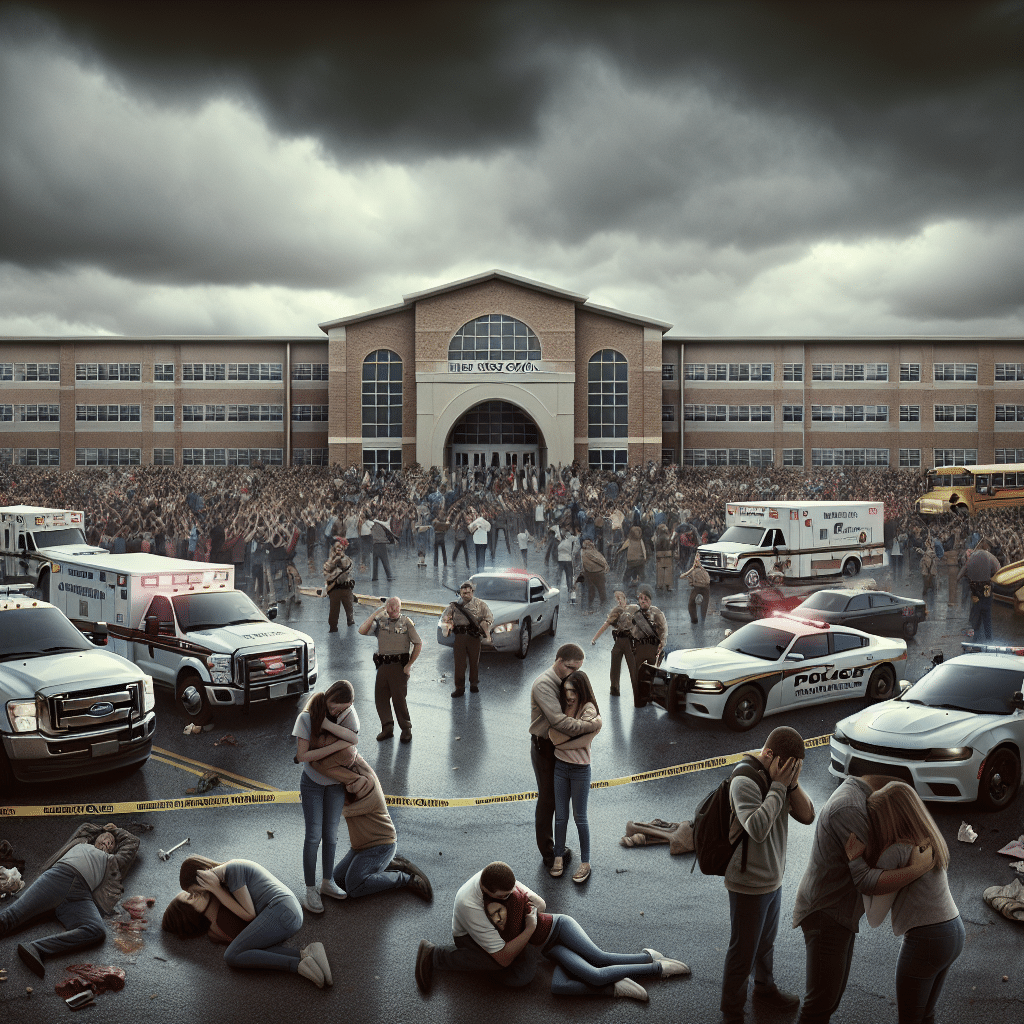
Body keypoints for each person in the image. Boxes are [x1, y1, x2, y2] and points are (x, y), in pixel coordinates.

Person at [416, 862, 689, 1000]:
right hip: (547, 949)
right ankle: (618, 982)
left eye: (512, 893)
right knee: (566, 982)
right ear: (487, 894)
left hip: (558, 927)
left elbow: (542, 905)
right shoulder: (474, 905)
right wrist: (529, 930)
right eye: (495, 915)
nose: (498, 919)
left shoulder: (511, 893)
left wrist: (531, 920)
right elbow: (504, 955)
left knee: (599, 960)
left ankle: (653, 964)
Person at [792, 775, 938, 1024]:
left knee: (830, 999)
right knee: (819, 1004)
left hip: (838, 914)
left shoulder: (857, 797)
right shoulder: (851, 809)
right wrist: (916, 870)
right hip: (826, 915)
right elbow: (867, 881)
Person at [720, 727, 815, 1024]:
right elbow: (757, 829)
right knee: (742, 951)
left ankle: (764, 988)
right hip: (748, 882)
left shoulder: (781, 779)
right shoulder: (744, 779)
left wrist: (792, 785)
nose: (789, 773)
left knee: (765, 941)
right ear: (770, 754)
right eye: (788, 767)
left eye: (795, 769)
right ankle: (732, 1011)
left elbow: (808, 815)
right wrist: (778, 787)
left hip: (772, 878)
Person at [853, 782, 963, 1024]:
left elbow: (873, 918)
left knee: (910, 1019)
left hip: (926, 941)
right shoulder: (929, 840)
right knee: (926, 1014)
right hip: (954, 931)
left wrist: (857, 863)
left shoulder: (895, 853)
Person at [162, 856, 332, 987]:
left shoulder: (233, 871)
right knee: (244, 949)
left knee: (232, 955)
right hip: (284, 912)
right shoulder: (227, 879)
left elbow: (249, 915)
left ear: (202, 876)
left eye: (194, 892)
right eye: (192, 895)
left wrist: (215, 889)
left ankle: (296, 964)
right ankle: (307, 953)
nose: (198, 895)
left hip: (283, 912)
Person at [1, 821, 140, 978]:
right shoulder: (81, 841)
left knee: (96, 930)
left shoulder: (112, 860)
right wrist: (105, 829)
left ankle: (36, 948)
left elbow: (133, 842)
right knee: (11, 916)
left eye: (112, 842)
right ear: (96, 838)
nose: (107, 841)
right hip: (56, 878)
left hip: (81, 894)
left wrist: (116, 832)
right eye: (104, 837)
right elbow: (86, 828)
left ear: (114, 848)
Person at [292, 680, 361, 913]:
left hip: (335, 786)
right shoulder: (306, 718)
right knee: (313, 837)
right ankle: (310, 889)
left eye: (344, 709)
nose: (339, 712)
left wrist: (329, 726)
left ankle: (327, 882)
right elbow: (302, 756)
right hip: (312, 783)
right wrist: (336, 745)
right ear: (328, 697)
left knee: (331, 835)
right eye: (336, 707)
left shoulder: (347, 714)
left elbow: (354, 739)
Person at [529, 644, 599, 869]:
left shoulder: (564, 681)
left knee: (562, 802)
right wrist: (591, 725)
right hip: (545, 747)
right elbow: (559, 722)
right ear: (558, 660)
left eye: (577, 669)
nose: (573, 673)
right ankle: (549, 854)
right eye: (569, 667)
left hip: (561, 747)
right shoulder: (544, 684)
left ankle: (558, 849)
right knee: (548, 800)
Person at [333, 758, 433, 902]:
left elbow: (342, 810)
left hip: (381, 845)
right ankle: (389, 864)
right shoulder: (349, 790)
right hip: (359, 848)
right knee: (337, 880)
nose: (352, 784)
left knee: (354, 887)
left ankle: (405, 878)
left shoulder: (370, 790)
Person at [548, 670, 601, 883]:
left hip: (580, 769)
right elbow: (552, 735)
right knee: (560, 816)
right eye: (567, 690)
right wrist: (576, 733)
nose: (570, 695)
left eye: (573, 690)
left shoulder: (588, 708)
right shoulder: (560, 707)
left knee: (580, 817)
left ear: (581, 689)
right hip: (560, 767)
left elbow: (582, 741)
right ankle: (558, 857)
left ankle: (585, 862)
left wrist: (562, 742)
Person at [358, 596, 422, 742]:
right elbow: (362, 630)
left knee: (399, 700)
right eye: (390, 606)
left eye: (396, 606)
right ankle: (387, 727)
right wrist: (376, 613)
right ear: (386, 607)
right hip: (383, 666)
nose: (393, 609)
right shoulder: (380, 623)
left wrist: (409, 665)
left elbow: (418, 644)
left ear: (400, 607)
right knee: (380, 698)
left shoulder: (406, 623)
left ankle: (406, 729)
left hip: (399, 667)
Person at [440, 580, 494, 697]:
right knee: (459, 663)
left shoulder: (480, 604)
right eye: (463, 593)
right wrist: (448, 624)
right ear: (460, 593)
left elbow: (489, 617)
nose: (466, 595)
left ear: (472, 592)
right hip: (459, 636)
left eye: (468, 593)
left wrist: (483, 626)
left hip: (473, 637)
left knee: (474, 662)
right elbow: (445, 617)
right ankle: (459, 687)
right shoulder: (454, 606)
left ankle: (474, 684)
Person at [627, 584, 666, 708]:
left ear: (650, 600)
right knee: (637, 674)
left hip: (653, 647)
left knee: (651, 673)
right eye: (641, 599)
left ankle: (650, 695)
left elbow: (663, 628)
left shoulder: (656, 612)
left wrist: (662, 642)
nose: (643, 601)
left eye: (646, 599)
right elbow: (630, 631)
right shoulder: (635, 614)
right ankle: (639, 699)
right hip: (639, 648)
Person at [591, 589, 634, 697]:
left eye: (621, 598)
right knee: (615, 663)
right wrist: (595, 638)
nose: (619, 601)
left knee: (633, 666)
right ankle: (614, 687)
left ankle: (638, 687)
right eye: (617, 599)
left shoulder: (633, 609)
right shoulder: (616, 611)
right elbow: (605, 625)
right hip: (619, 641)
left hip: (631, 641)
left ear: (625, 599)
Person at [957, 539, 1000, 640]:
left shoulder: (971, 559)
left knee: (977, 615)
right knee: (987, 615)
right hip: (986, 590)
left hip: (975, 591)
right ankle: (988, 638)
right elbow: (998, 571)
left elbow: (959, 576)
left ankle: (976, 637)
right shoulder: (991, 558)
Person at [323, 539, 355, 631]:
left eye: (341, 547)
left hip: (346, 588)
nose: (339, 548)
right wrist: (334, 562)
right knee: (334, 610)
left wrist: (341, 559)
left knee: (349, 607)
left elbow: (349, 567)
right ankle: (333, 627)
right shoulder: (329, 561)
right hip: (334, 589)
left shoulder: (346, 559)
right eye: (337, 547)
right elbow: (326, 573)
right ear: (333, 549)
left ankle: (350, 621)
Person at [680, 552, 712, 624]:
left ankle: (695, 619)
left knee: (691, 603)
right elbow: (708, 581)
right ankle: (702, 618)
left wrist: (691, 570)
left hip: (699, 587)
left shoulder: (696, 570)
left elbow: (682, 576)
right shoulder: (701, 570)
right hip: (704, 588)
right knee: (704, 603)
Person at [581, 538, 609, 613]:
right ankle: (602, 606)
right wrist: (605, 566)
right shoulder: (595, 552)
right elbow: (601, 559)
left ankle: (591, 606)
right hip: (598, 573)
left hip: (592, 573)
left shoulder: (586, 553)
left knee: (593, 590)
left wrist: (605, 565)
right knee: (600, 590)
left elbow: (598, 560)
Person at [369, 516, 396, 583]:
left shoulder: (372, 525)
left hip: (375, 544)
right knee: (385, 561)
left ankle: (374, 577)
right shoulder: (383, 525)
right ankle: (389, 576)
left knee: (375, 562)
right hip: (382, 544)